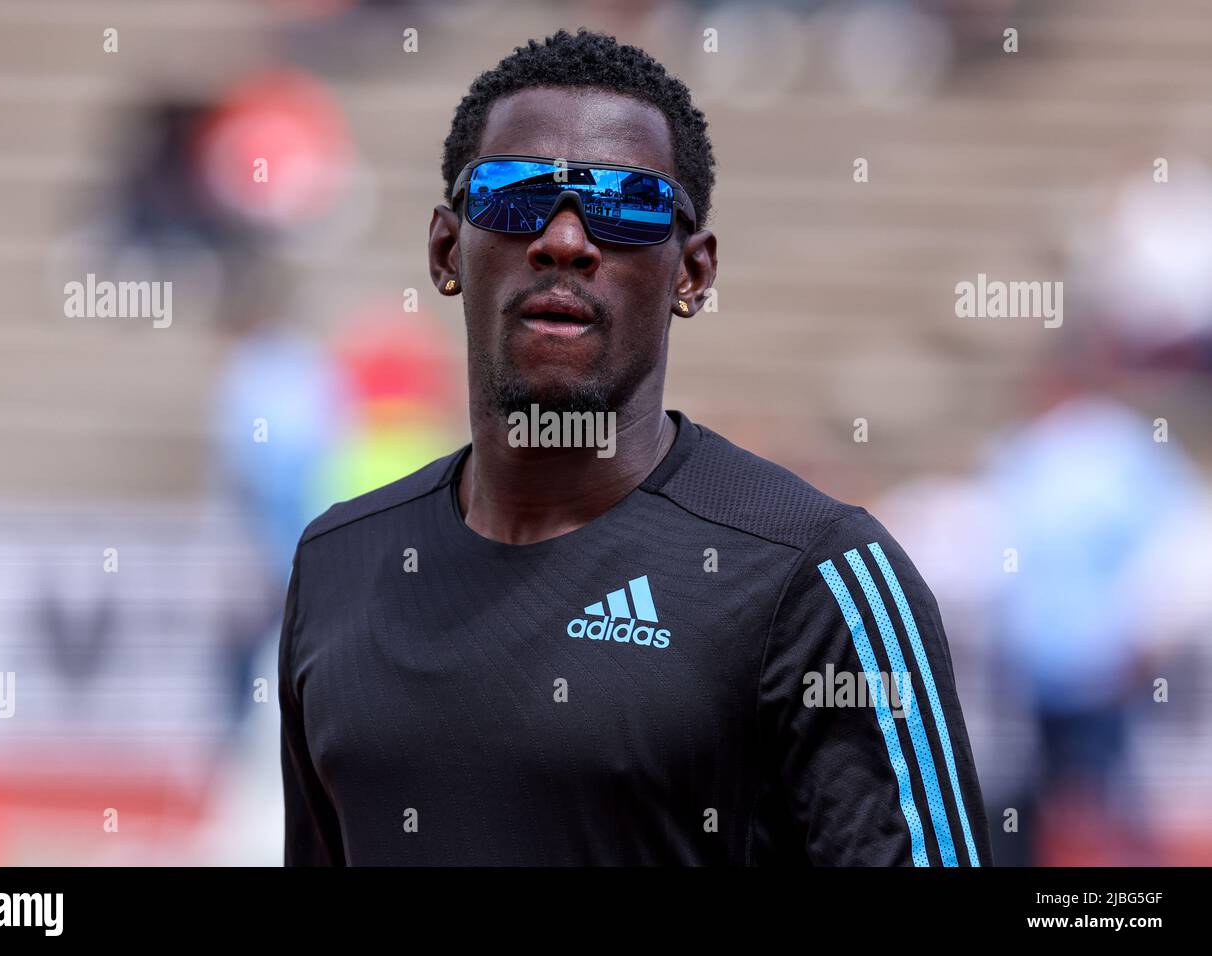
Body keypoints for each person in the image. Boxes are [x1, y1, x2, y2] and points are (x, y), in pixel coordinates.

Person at [279, 29, 990, 866]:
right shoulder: (338, 563)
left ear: (693, 273)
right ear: (446, 249)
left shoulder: (820, 578)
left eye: (627, 204)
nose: (566, 240)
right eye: (516, 195)